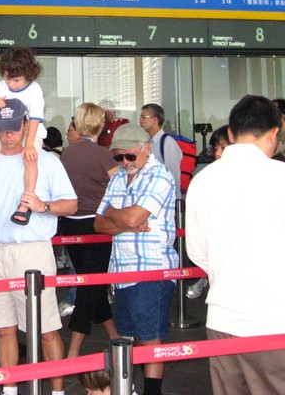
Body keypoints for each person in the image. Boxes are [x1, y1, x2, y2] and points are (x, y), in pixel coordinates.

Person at [186, 95, 285, 395]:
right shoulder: (283, 176)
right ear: (273, 133)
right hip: (273, 323)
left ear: (231, 133)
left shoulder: (202, 180)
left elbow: (196, 252)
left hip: (222, 321)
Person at [0, 99, 77, 395]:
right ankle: (10, 390)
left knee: (46, 329)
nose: (9, 134)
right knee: (2, 329)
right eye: (3, 128)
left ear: (26, 125)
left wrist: (43, 206)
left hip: (32, 251)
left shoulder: (47, 161)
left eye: (15, 127)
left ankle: (57, 392)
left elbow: (71, 204)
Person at [94, 123, 177, 395]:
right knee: (133, 337)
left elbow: (129, 217)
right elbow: (98, 224)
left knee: (150, 338)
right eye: (118, 157)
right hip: (121, 272)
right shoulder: (118, 177)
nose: (124, 162)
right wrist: (126, 221)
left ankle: (153, 391)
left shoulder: (160, 175)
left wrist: (113, 212)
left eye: (130, 155)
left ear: (146, 148)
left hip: (151, 269)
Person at [58, 103, 119, 358]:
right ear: (100, 125)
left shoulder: (66, 153)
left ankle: (114, 336)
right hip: (96, 225)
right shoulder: (103, 155)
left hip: (69, 224)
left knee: (90, 281)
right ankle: (73, 352)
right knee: (90, 285)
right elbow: (121, 185)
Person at [0, 45, 47, 225]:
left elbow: (35, 119)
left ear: (29, 75)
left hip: (29, 131)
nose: (11, 84)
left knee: (30, 159)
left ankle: (26, 203)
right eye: (7, 78)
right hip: (5, 130)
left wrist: (29, 144)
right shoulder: (1, 86)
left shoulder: (35, 89)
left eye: (16, 80)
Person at [185, 124, 230, 300]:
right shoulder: (205, 179)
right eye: (215, 148)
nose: (218, 153)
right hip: (213, 252)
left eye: (223, 148)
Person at [138, 103, 182, 196]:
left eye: (143, 117)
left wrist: (175, 199)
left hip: (165, 197)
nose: (140, 121)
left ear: (155, 120)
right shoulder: (148, 142)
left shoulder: (167, 142)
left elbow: (173, 174)